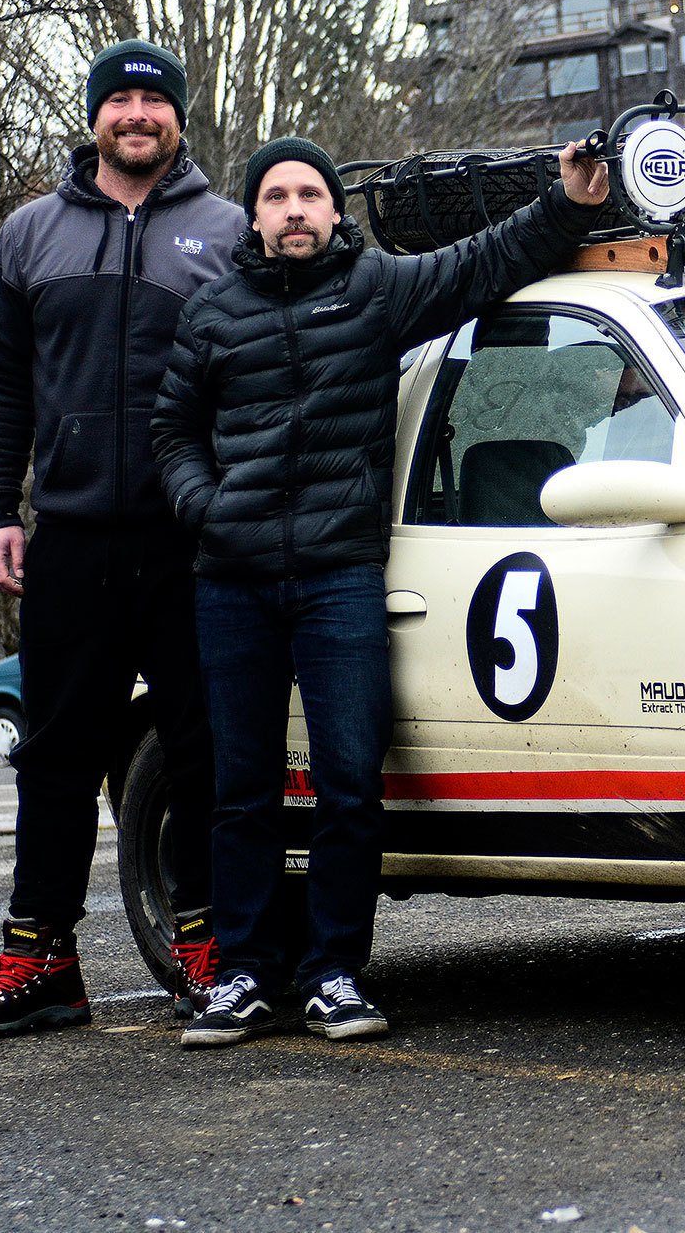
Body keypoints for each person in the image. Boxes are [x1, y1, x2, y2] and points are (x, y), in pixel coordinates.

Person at [153, 135, 608, 1046]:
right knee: (240, 789)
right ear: (254, 215)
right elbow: (173, 431)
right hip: (231, 584)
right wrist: (208, 509)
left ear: (333, 211)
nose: (294, 210)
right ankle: (241, 976)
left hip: (339, 582)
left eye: (310, 195)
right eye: (276, 196)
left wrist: (568, 204)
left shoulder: (374, 291)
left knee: (351, 784)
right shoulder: (211, 313)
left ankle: (332, 976)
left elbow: (484, 263)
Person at [0, 39, 243, 1038]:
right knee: (56, 754)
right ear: (94, 118)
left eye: (153, 102)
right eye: (118, 100)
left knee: (202, 750)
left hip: (188, 538)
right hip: (68, 536)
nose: (136, 115)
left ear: (177, 119)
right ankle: (41, 961)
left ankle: (207, 951)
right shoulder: (29, 236)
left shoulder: (231, 232)